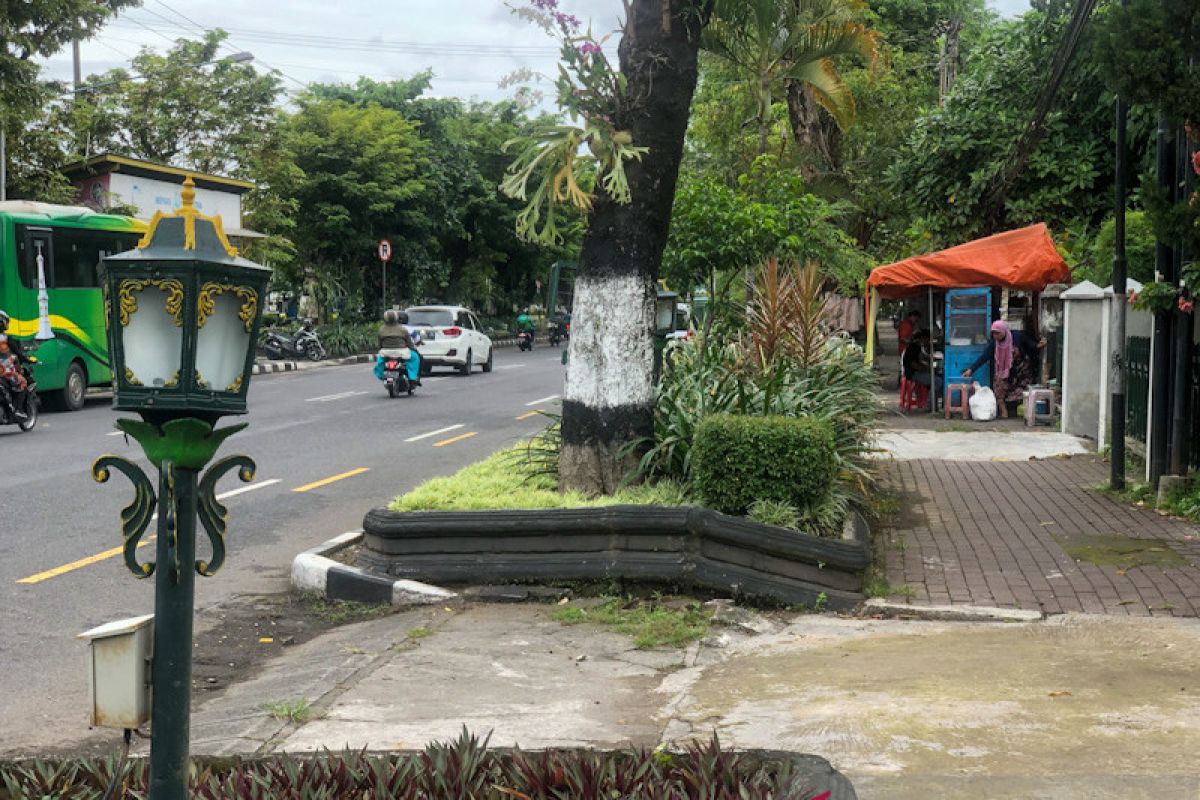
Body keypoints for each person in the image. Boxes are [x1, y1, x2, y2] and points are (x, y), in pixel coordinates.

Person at [962, 320, 1046, 419]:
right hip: (1002, 370)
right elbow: (984, 356)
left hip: (1019, 369)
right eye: (993, 333)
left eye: (998, 333)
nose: (996, 336)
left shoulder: (1017, 337)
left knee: (1023, 389)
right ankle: (1004, 411)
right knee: (999, 389)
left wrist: (1038, 345)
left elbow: (1030, 345)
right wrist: (971, 369)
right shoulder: (995, 344)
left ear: (1004, 331)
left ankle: (1022, 410)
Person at [376, 309, 420, 385]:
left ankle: (380, 375)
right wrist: (412, 348)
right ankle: (412, 377)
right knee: (415, 357)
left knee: (380, 361)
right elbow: (409, 343)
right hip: (402, 352)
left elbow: (379, 345)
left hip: (385, 353)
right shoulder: (403, 329)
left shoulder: (381, 330)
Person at [0, 335, 28, 421]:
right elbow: (16, 353)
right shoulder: (5, 338)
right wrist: (24, 359)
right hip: (4, 370)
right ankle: (19, 409)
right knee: (23, 382)